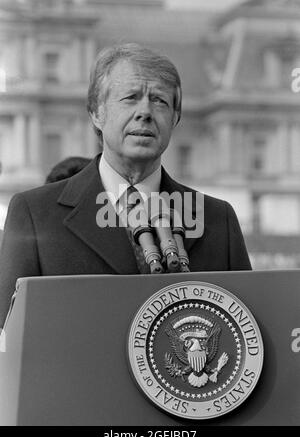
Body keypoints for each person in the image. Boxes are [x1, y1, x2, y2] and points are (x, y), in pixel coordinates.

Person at [0, 43, 251, 328]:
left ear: (175, 118)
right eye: (130, 98)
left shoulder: (217, 220)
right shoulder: (35, 214)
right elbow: (8, 338)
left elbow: (244, 331)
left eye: (159, 101)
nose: (145, 111)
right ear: (97, 112)